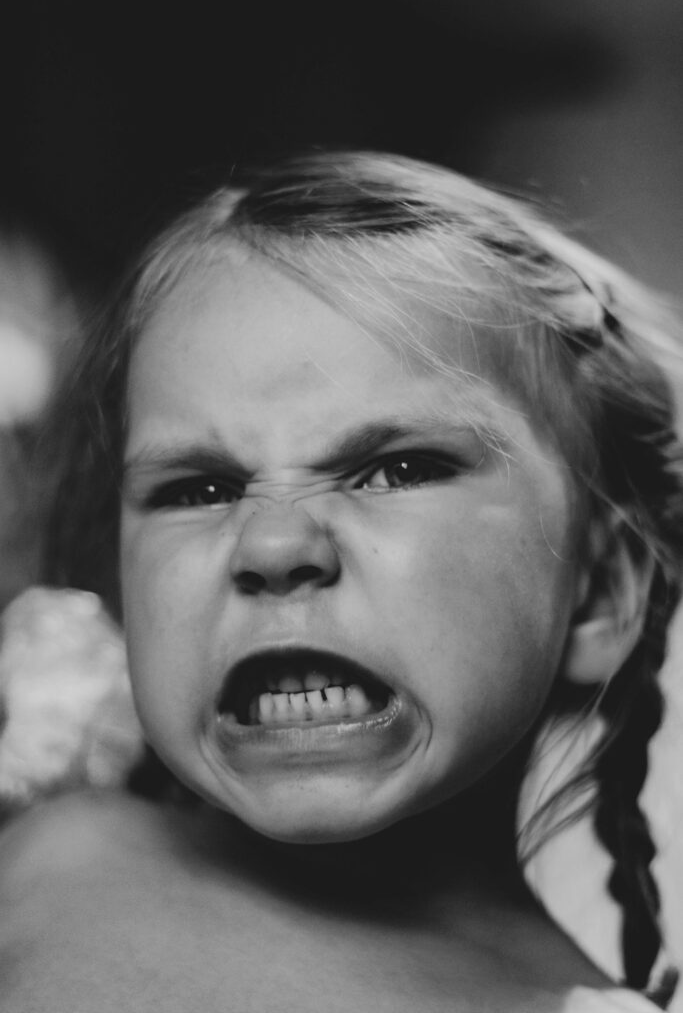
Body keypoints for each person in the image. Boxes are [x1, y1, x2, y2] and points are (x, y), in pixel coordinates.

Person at [1, 152, 681, 1012]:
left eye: (396, 469)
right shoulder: (37, 865)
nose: (274, 543)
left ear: (602, 589)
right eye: (199, 490)